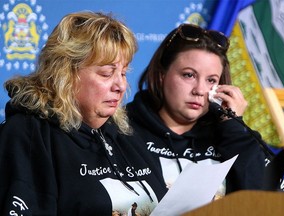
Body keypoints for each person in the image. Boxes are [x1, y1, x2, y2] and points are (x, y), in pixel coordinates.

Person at [0, 11, 167, 215]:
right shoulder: (29, 134)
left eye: (123, 73)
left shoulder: (124, 133)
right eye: (107, 73)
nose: (121, 85)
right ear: (66, 73)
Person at [125, 23, 268, 197]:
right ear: (162, 75)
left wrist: (233, 129)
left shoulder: (233, 136)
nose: (199, 90)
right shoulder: (122, 130)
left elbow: (262, 202)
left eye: (211, 80)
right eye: (189, 75)